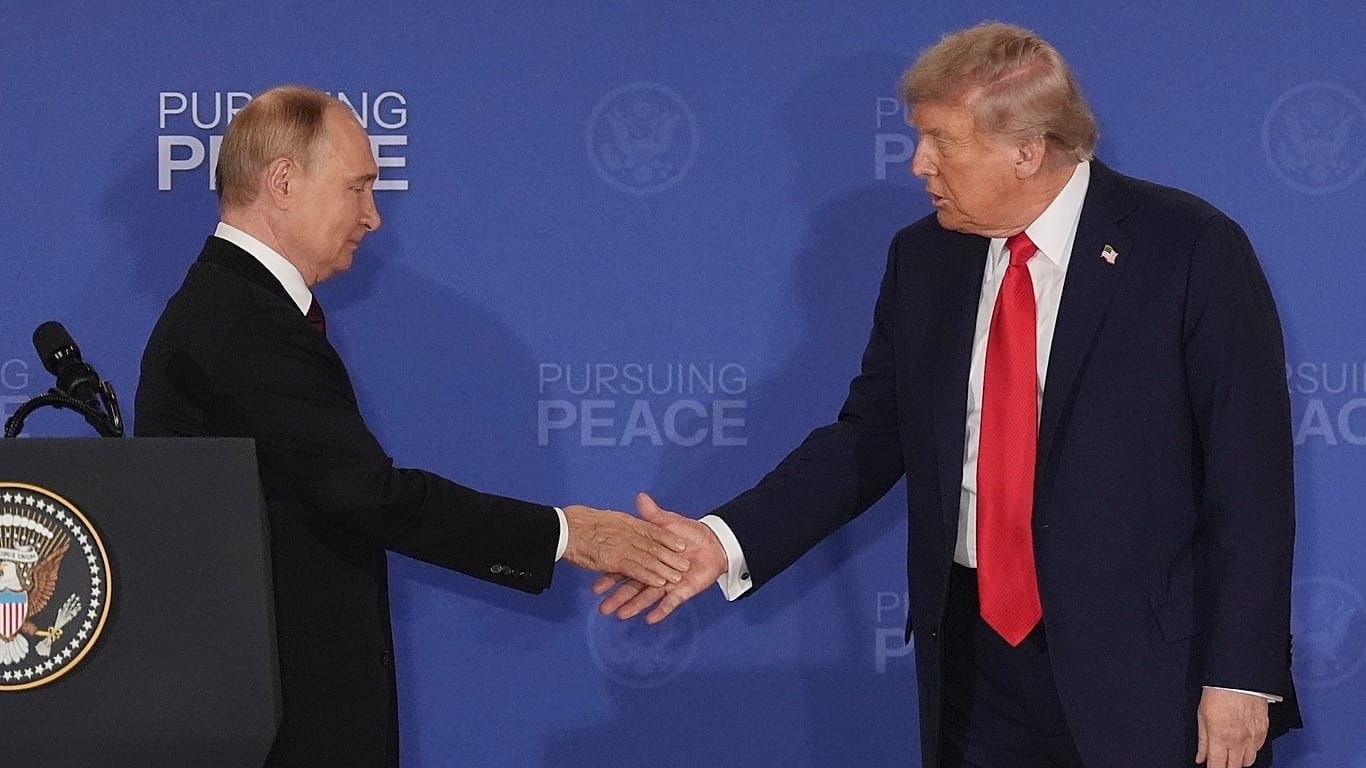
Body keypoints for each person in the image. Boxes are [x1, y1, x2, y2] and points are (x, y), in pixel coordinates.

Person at [595, 22, 1300, 768]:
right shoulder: (926, 257)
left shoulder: (1187, 247)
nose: (918, 163)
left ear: (1027, 150)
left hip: (1151, 675)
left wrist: (1240, 676)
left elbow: (1250, 482)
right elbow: (870, 437)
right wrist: (724, 540)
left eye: (941, 141)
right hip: (974, 666)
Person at [135, 85, 692, 767]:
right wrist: (569, 533)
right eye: (357, 189)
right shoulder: (248, 323)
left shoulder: (235, 308)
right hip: (274, 723)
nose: (373, 217)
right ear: (283, 182)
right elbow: (369, 496)